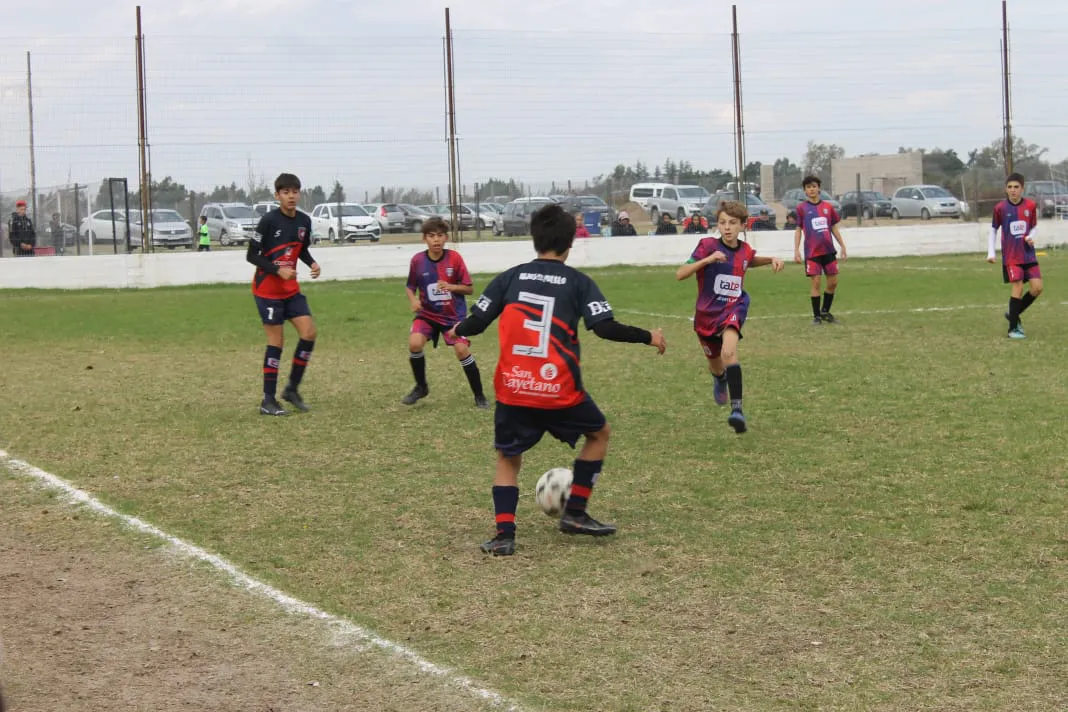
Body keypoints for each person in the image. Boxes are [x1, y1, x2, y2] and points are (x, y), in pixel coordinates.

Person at [447, 203, 666, 556]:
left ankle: (504, 535)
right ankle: (575, 512)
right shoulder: (579, 282)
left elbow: (477, 321)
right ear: (570, 243)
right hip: (559, 388)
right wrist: (649, 337)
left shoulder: (511, 276)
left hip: (515, 386)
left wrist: (458, 329)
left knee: (507, 457)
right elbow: (605, 327)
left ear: (534, 239)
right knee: (599, 433)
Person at [676, 200, 784, 434]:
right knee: (716, 365)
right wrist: (707, 260)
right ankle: (719, 378)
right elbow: (680, 273)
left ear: (743, 226)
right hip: (706, 315)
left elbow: (748, 261)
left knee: (729, 352)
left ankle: (737, 410)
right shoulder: (706, 246)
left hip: (733, 309)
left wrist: (771, 259)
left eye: (733, 223)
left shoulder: (744, 250)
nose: (727, 227)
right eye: (723, 223)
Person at [247, 173, 321, 416]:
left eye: (295, 191)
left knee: (309, 333)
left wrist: (311, 263)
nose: (291, 196)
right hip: (267, 291)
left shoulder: (304, 221)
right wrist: (278, 270)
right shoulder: (268, 221)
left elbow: (301, 249)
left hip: (291, 290)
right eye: (286, 192)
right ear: (277, 195)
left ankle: (291, 389)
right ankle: (268, 400)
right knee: (276, 342)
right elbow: (252, 255)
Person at [401, 216, 488, 408]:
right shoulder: (417, 260)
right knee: (415, 343)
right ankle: (421, 387)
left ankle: (479, 395)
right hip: (428, 315)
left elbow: (469, 289)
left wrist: (450, 286)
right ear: (424, 239)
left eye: (440, 235)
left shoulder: (454, 259)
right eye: (431, 236)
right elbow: (409, 287)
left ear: (446, 238)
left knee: (461, 350)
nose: (436, 240)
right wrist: (414, 300)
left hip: (453, 317)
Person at [987, 172, 1042, 339]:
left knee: (1037, 288)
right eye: (1010, 187)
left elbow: (1034, 227)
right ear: (1006, 189)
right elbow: (993, 230)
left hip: (1028, 255)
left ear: (1022, 188)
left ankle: (1012, 313)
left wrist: (1031, 237)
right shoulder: (1000, 208)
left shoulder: (1031, 206)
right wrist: (991, 252)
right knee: (1018, 286)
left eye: (1016, 187)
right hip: (1011, 256)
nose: (1013, 190)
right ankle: (1013, 329)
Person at [793, 175, 847, 325]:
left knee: (833, 283)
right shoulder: (801, 209)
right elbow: (798, 229)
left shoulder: (828, 207)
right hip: (812, 253)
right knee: (816, 282)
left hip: (829, 251)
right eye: (808, 187)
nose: (812, 189)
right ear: (805, 190)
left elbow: (834, 227)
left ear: (819, 188)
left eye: (814, 186)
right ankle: (816, 316)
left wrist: (842, 246)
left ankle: (825, 311)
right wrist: (796, 250)